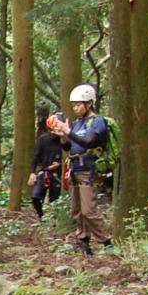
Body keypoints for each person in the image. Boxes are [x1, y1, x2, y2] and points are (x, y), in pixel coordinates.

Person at [52, 84, 112, 255]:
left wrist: (68, 131)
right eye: (74, 105)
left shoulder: (97, 122)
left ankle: (106, 241)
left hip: (89, 170)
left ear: (89, 103)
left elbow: (89, 142)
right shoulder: (77, 124)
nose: (76, 108)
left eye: (79, 104)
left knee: (89, 210)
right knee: (77, 209)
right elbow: (68, 147)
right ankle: (84, 241)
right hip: (74, 169)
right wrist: (64, 135)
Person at [30, 112, 64, 221]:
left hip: (58, 174)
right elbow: (35, 156)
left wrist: (59, 164)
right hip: (44, 172)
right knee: (36, 197)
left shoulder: (64, 141)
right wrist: (32, 173)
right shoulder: (43, 139)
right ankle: (41, 216)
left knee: (55, 200)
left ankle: (55, 220)